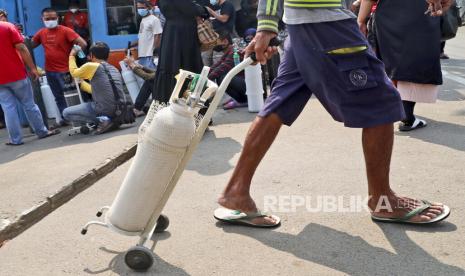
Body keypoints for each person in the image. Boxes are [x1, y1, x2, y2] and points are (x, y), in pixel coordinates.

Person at [214, 0, 452, 227]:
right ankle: (383, 200)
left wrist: (267, 25)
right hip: (325, 22)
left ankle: (237, 190)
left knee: (280, 102)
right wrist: (266, 26)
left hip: (303, 24)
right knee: (384, 103)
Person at [358, 0, 452, 131]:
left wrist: (361, 20)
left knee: (390, 62)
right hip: (422, 13)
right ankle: (407, 116)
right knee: (413, 63)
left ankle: (391, 109)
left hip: (388, 14)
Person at [0, 21, 60, 145]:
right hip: (16, 74)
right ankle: (42, 131)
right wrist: (33, 68)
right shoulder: (7, 27)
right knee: (29, 104)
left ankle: (15, 140)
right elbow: (21, 47)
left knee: (8, 108)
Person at [32, 7, 87, 124]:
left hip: (66, 70)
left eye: (53, 18)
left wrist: (73, 54)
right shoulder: (41, 33)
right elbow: (29, 46)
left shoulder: (65, 30)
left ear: (58, 18)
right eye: (47, 18)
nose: (50, 20)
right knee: (58, 97)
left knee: (72, 95)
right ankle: (65, 118)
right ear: (42, 19)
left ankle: (78, 119)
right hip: (50, 71)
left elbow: (82, 43)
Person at [64, 42, 127, 134]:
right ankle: (111, 120)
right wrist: (81, 83)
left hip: (104, 109)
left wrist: (71, 55)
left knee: (66, 113)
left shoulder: (91, 66)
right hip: (120, 109)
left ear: (92, 55)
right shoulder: (114, 68)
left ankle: (102, 120)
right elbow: (99, 90)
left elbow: (73, 72)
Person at [153, 0, 205, 103]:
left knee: (170, 66)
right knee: (187, 66)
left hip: (171, 33)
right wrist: (204, 10)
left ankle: (167, 104)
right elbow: (191, 9)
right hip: (183, 34)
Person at [208, 30, 248, 110]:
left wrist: (205, 80)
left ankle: (245, 100)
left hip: (250, 86)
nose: (213, 45)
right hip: (244, 84)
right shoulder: (229, 51)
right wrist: (202, 75)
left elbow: (221, 68)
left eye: (216, 42)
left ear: (225, 41)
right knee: (220, 77)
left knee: (223, 77)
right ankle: (241, 100)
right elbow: (216, 66)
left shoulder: (234, 52)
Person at [128, 0, 163, 69]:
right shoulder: (143, 20)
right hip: (142, 55)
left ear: (148, 7)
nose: (140, 10)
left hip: (150, 55)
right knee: (145, 78)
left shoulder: (154, 20)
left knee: (152, 77)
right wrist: (129, 46)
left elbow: (158, 36)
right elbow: (141, 38)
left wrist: (154, 51)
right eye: (138, 8)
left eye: (142, 8)